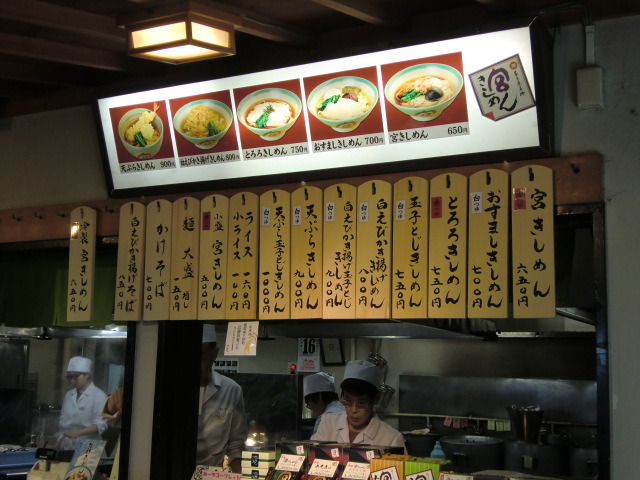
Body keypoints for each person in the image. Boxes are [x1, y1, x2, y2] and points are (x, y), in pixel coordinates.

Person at [311, 360, 406, 451]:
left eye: (361, 403)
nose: (353, 409)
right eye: (348, 401)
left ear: (376, 399)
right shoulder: (328, 423)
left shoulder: (392, 439)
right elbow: (311, 456)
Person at [198, 324, 247, 472]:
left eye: (202, 357)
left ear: (215, 354)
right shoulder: (172, 389)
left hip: (211, 474)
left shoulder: (231, 390)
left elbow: (236, 446)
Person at [56, 356, 108, 450]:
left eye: (76, 376)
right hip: (68, 444)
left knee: (82, 465)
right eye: (70, 377)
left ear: (87, 375)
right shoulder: (69, 395)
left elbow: (100, 424)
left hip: (89, 445)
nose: (72, 380)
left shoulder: (99, 396)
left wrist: (77, 433)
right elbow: (63, 420)